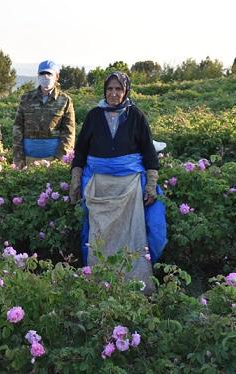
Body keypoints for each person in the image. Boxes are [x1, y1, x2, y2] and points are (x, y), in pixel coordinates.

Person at [69, 71, 167, 294]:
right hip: (99, 187)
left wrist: (151, 184)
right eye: (110, 89)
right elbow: (81, 151)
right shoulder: (94, 116)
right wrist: (76, 179)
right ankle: (98, 283)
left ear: (126, 91)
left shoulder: (136, 116)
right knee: (96, 235)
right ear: (105, 91)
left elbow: (149, 154)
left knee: (145, 232)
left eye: (118, 89)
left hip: (130, 186)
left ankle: (135, 283)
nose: (114, 93)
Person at [12, 60, 76, 168]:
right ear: (38, 75)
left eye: (49, 74)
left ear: (56, 76)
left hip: (54, 160)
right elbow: (18, 127)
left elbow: (69, 132)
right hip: (28, 159)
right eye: (42, 73)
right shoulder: (26, 98)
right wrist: (18, 157)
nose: (45, 76)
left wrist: (59, 160)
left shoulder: (65, 100)